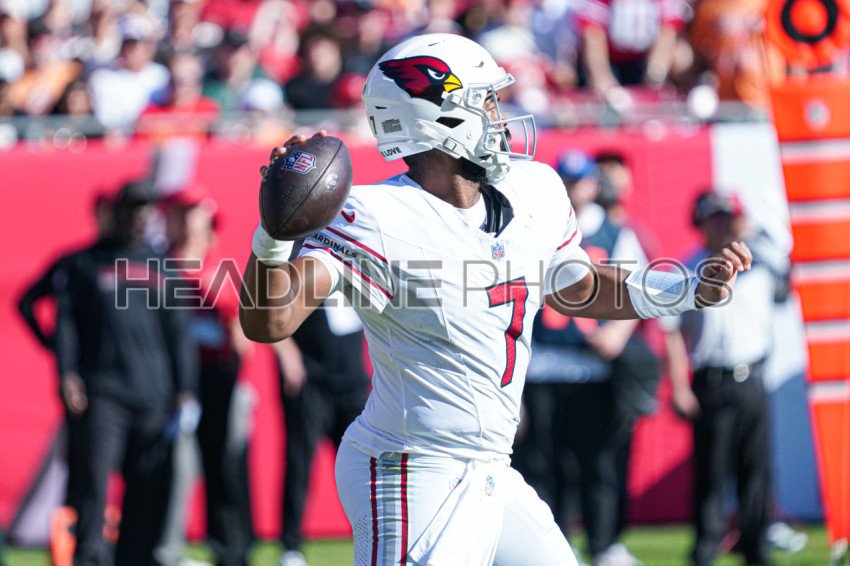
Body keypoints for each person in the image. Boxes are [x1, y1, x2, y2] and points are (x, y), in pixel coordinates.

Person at [239, 33, 752, 565]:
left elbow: (578, 288)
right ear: (437, 117)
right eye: (486, 101)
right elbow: (269, 322)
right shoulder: (372, 217)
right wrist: (272, 236)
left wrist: (685, 289)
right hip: (413, 468)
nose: (500, 117)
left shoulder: (534, 190)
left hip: (491, 467)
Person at [513, 149, 652, 565]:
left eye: (581, 181)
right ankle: (552, 545)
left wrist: (617, 332)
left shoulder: (612, 231)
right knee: (543, 464)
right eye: (568, 181)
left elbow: (638, 287)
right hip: (542, 364)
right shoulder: (535, 225)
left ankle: (604, 543)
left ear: (594, 184)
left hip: (592, 368)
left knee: (598, 462)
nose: (576, 189)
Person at [54, 180, 198, 565]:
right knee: (94, 481)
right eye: (132, 208)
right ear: (116, 212)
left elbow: (179, 333)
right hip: (104, 391)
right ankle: (88, 556)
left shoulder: (162, 265)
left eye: (145, 209)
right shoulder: (86, 263)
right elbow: (65, 325)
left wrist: (185, 389)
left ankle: (135, 558)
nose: (139, 216)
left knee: (147, 486)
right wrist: (67, 374)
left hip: (153, 395)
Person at [662, 191, 774, 566]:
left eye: (730, 217)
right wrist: (679, 386)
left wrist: (754, 233)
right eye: (716, 218)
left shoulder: (761, 264)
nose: (724, 224)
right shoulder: (687, 267)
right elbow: (672, 331)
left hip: (752, 378)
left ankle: (757, 549)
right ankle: (705, 550)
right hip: (712, 380)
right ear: (701, 223)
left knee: (756, 472)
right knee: (711, 472)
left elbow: (789, 266)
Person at [162, 186, 254, 566]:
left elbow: (243, 334)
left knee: (226, 468)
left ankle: (231, 550)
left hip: (219, 378)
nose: (189, 224)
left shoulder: (221, 271)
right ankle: (166, 551)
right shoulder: (158, 270)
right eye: (181, 214)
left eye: (195, 214)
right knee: (173, 470)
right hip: (173, 386)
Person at [275, 302, 370, 566]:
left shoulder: (361, 276)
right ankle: (291, 547)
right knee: (299, 464)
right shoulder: (301, 273)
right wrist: (286, 351)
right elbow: (269, 310)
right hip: (311, 378)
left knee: (363, 469)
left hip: (352, 380)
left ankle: (373, 540)